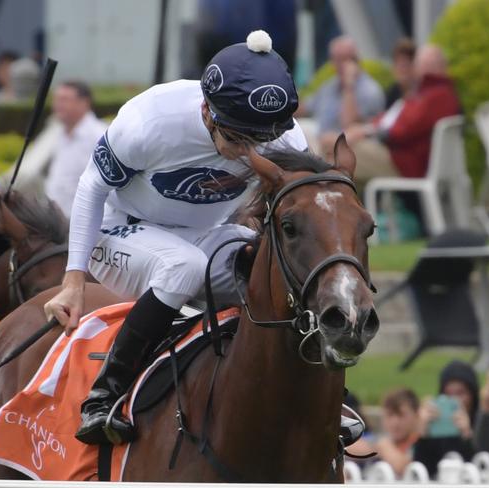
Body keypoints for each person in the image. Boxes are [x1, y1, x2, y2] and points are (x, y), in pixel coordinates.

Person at [43, 30, 316, 446]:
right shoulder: (150, 121)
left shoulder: (285, 138)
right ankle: (104, 395)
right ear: (207, 111)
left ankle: (308, 397)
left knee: (269, 264)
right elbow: (91, 188)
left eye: (256, 141)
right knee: (183, 268)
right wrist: (73, 281)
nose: (247, 152)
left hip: (203, 235)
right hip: (119, 230)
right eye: (237, 139)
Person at [345, 44, 460, 185]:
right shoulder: (438, 93)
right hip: (407, 160)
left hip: (407, 164)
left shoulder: (433, 96)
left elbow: (401, 130)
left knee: (342, 153)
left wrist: (367, 132)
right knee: (344, 151)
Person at [297, 36, 385, 153]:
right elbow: (305, 108)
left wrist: (349, 86)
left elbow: (349, 125)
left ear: (355, 61)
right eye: (336, 59)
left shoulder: (370, 91)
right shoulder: (330, 85)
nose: (338, 65)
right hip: (320, 138)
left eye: (345, 59)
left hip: (346, 146)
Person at [44, 81, 107, 217]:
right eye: (56, 99)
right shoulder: (59, 131)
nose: (58, 105)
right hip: (55, 220)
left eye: (65, 99)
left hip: (81, 222)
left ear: (84, 103)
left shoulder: (99, 136)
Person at [413, 360, 478, 477]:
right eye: (448, 394)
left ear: (473, 395)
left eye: (460, 393)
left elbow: (480, 467)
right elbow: (422, 473)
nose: (454, 400)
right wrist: (423, 435)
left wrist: (467, 435)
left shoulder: (483, 423)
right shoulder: (439, 428)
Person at [375, 388, 422, 477]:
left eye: (401, 415)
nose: (395, 422)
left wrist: (384, 446)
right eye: (390, 415)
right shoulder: (379, 440)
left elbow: (402, 467)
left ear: (417, 415)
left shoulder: (422, 444)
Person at [385, 38, 416, 109]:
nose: (402, 69)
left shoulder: (422, 91)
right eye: (398, 64)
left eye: (405, 64)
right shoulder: (391, 94)